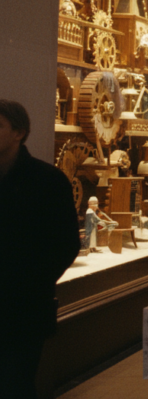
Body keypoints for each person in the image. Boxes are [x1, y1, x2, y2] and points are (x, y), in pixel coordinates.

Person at [0, 100, 80, 399]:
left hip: (23, 311)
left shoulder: (47, 181)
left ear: (19, 133)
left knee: (14, 386)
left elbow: (66, 243)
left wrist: (30, 285)